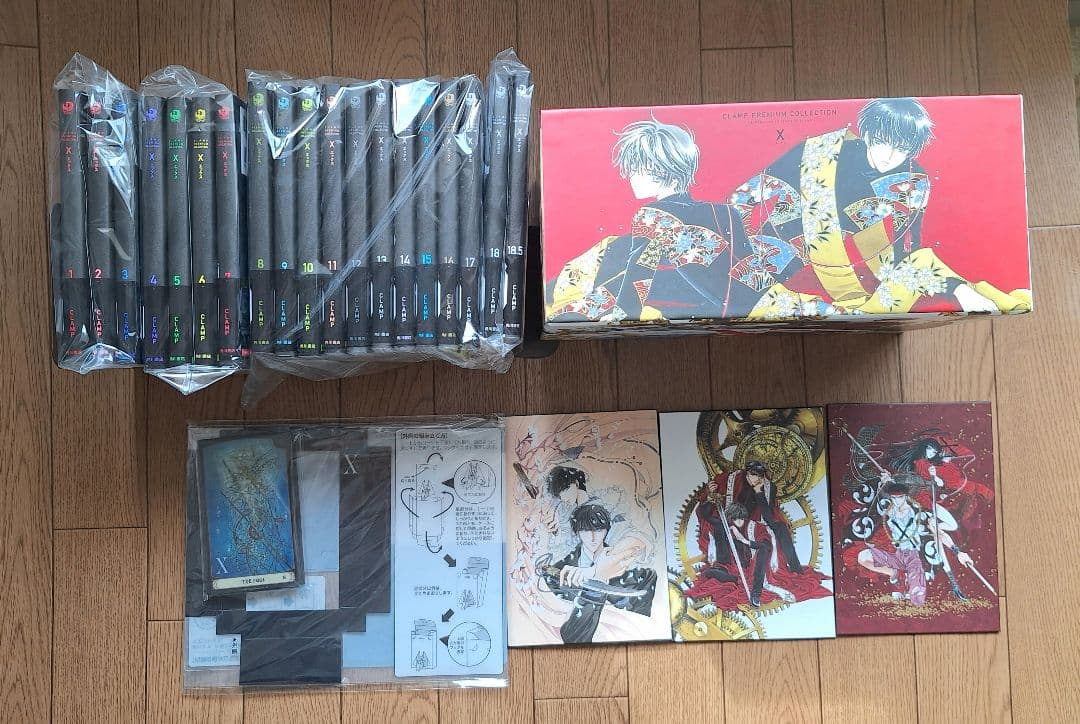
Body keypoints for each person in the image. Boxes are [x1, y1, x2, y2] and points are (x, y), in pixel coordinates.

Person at [730, 98, 1031, 318]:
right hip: (788, 255)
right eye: (883, 142)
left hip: (866, 276)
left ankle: (963, 291)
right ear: (867, 133)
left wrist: (942, 286)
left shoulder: (913, 180)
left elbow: (908, 246)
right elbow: (749, 195)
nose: (890, 156)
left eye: (901, 149)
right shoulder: (819, 151)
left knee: (921, 262)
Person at [546, 118, 766, 322]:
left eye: (637, 168)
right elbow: (751, 271)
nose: (630, 176)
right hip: (742, 305)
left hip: (700, 306)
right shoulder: (726, 212)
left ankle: (559, 314)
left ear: (663, 171)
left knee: (611, 278)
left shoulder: (653, 216)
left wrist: (623, 318)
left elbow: (639, 277)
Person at [544, 504, 657, 643]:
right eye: (585, 530)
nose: (592, 537)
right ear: (577, 532)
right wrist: (597, 577)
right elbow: (572, 637)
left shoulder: (639, 577)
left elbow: (643, 629)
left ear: (606, 530)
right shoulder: (557, 574)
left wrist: (595, 572)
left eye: (598, 530)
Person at [856, 481, 972, 606]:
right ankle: (895, 573)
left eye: (900, 497)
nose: (896, 501)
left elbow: (940, 534)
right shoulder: (889, 512)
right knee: (863, 557)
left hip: (913, 558)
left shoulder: (919, 513)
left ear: (905, 497)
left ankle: (910, 579)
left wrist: (957, 552)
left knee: (917, 599)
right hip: (897, 555)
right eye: (893, 498)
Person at [699, 461, 803, 574]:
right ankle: (723, 567)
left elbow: (769, 517)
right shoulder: (731, 480)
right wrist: (710, 494)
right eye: (752, 474)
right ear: (747, 473)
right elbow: (707, 509)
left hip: (757, 524)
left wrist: (758, 491)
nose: (756, 478)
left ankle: (796, 568)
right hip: (733, 521)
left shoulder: (769, 487)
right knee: (720, 526)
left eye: (759, 476)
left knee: (781, 527)